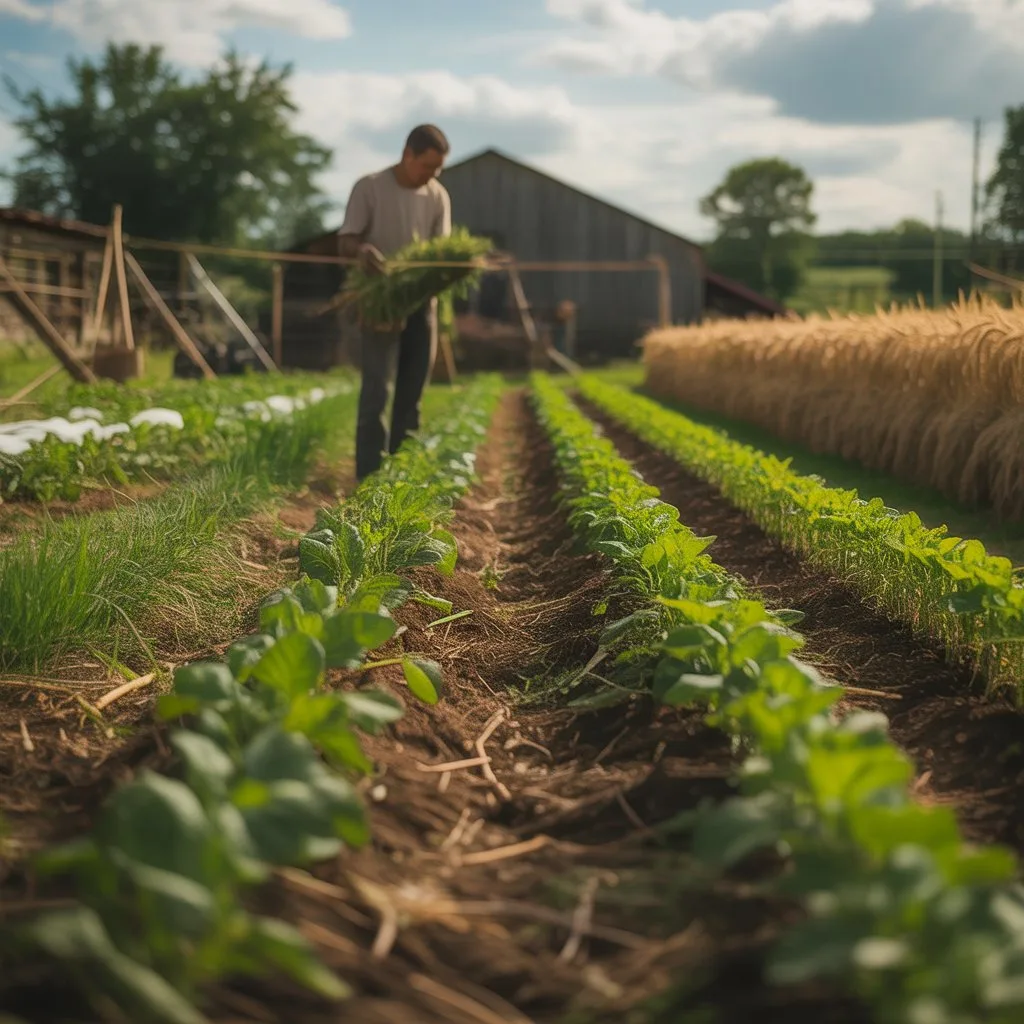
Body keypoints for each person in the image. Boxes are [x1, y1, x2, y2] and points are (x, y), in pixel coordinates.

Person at [338, 124, 452, 481]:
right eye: (427, 166)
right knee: (377, 390)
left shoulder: (437, 195)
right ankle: (369, 479)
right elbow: (346, 242)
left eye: (438, 169)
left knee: (412, 393)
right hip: (380, 303)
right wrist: (363, 251)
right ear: (408, 154)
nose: (432, 175)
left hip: (421, 304)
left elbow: (441, 252)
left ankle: (402, 479)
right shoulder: (370, 187)